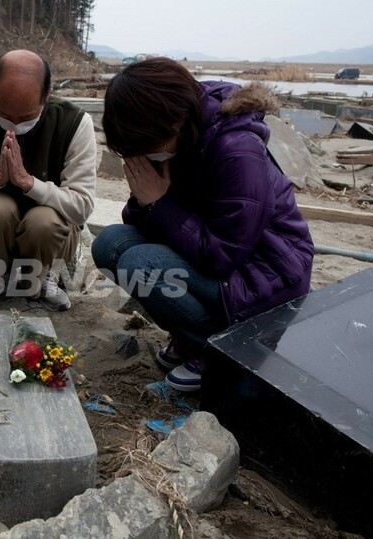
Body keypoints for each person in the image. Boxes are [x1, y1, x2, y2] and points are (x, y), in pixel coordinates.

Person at [91, 57, 313, 392]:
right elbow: (144, 228)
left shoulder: (236, 149)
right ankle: (189, 335)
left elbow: (223, 255)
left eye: (145, 146)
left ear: (174, 122)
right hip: (218, 259)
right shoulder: (179, 139)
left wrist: (160, 203)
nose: (142, 155)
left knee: (141, 264)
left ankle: (216, 348)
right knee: (110, 245)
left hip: (267, 273)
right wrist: (144, 199)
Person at [0, 49, 97, 311]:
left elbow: (81, 209)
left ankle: (43, 275)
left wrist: (30, 184)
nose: (12, 127)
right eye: (3, 114)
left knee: (43, 220)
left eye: (25, 118)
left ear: (46, 95)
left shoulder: (75, 123)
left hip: (51, 235)